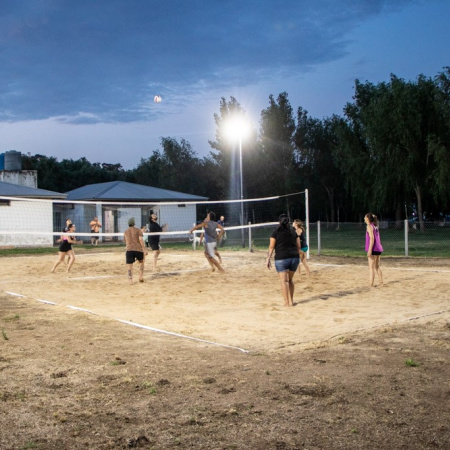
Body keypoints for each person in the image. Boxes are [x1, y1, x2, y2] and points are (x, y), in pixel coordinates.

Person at [266, 214, 301, 307]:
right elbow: (299, 246)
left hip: (281, 258)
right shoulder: (293, 231)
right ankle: (292, 301)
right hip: (294, 258)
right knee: (290, 279)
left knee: (283, 281)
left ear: (279, 222)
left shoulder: (275, 232)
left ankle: (286, 302)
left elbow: (271, 247)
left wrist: (268, 259)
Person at [124, 217, 148, 284]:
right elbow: (141, 239)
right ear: (134, 223)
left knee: (129, 266)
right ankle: (140, 277)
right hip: (138, 249)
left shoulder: (126, 231)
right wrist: (144, 249)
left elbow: (125, 241)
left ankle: (130, 280)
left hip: (129, 250)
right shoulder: (138, 230)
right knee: (141, 262)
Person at [364, 213, 384, 287]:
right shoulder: (375, 226)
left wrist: (369, 250)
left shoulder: (369, 226)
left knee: (371, 267)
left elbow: (372, 238)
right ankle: (381, 282)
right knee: (377, 266)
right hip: (378, 248)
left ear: (368, 219)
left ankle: (371, 284)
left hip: (373, 248)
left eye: (365, 217)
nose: (364, 218)